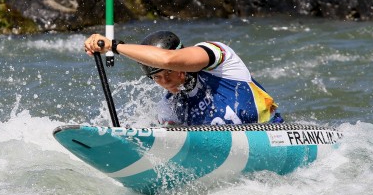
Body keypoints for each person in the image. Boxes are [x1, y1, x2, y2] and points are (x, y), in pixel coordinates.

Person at [84, 31, 284, 126]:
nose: (165, 81)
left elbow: (168, 59)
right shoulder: (172, 104)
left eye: (168, 72)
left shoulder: (218, 59)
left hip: (272, 134)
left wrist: (114, 46)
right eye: (157, 77)